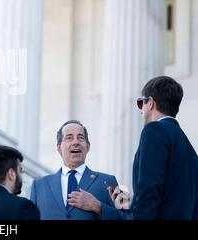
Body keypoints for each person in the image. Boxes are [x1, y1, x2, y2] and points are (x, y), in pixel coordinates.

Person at [109, 76, 198, 219]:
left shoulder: (154, 130)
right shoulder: (187, 145)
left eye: (140, 104)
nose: (141, 110)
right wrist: (126, 202)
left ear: (150, 103)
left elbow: (150, 189)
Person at [30, 120, 120, 219]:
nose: (76, 142)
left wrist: (98, 207)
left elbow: (129, 216)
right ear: (59, 148)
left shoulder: (110, 181)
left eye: (81, 138)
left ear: (88, 147)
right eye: (69, 138)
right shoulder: (38, 185)